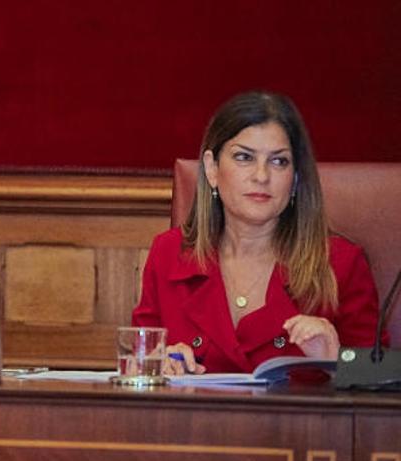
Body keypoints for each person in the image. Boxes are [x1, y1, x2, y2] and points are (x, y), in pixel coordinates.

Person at [132, 91, 383, 375]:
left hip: (300, 421)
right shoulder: (169, 254)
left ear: (296, 177)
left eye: (279, 162)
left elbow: (381, 389)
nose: (262, 176)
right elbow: (140, 367)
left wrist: (336, 362)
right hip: (195, 420)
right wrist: (157, 365)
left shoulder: (340, 264)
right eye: (244, 157)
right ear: (212, 169)